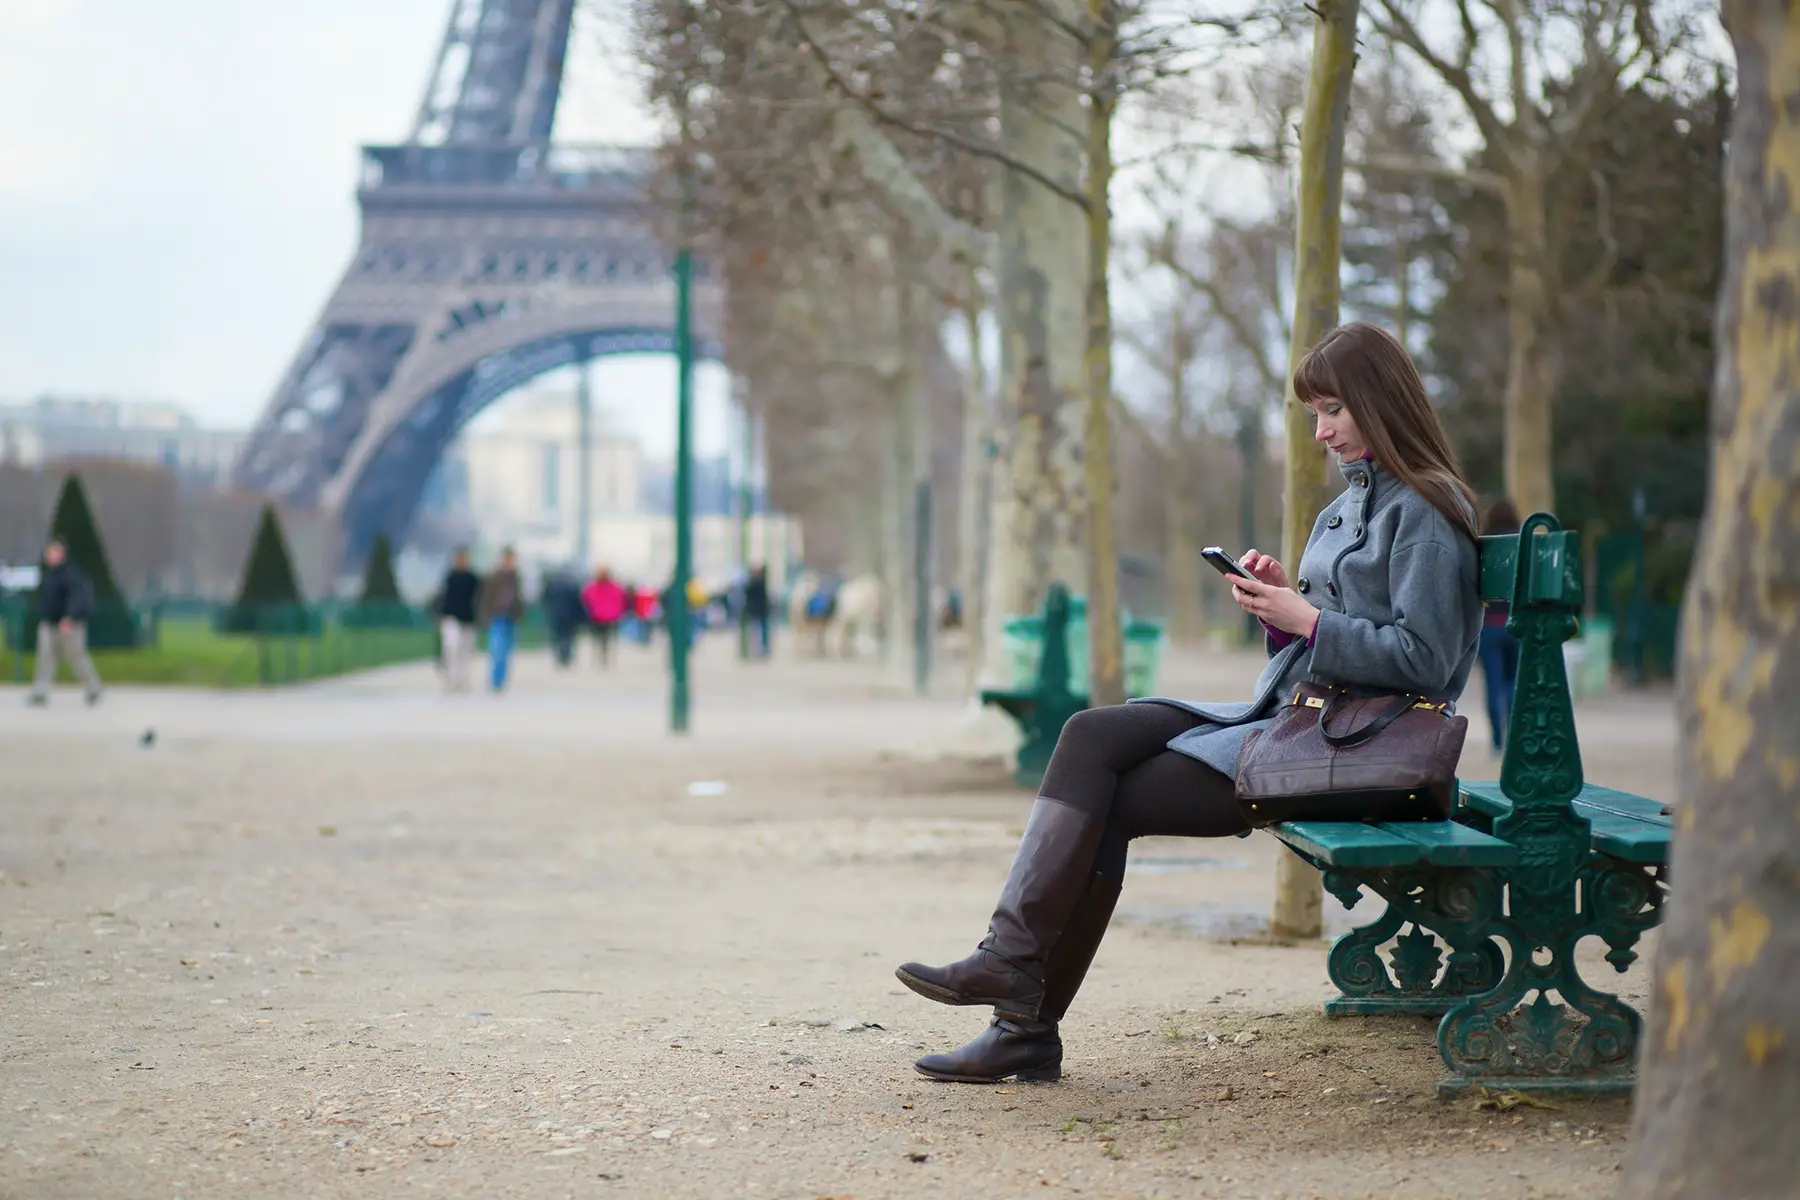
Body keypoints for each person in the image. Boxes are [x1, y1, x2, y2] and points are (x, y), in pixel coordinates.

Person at [894, 322, 1484, 1084]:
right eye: (1314, 414)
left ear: (1379, 401)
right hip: (1301, 718)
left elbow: (1427, 663)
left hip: (1364, 751)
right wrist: (1281, 615)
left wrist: (1308, 619)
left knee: (1105, 790)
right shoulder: (1346, 509)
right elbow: (1321, 644)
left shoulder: (1427, 512)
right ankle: (1012, 984)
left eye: (1333, 410)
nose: (1320, 431)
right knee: (1093, 737)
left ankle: (1020, 1015)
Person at [27, 538, 104, 707]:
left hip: (69, 625)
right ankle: (40, 692)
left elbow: (78, 597)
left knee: (76, 657)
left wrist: (70, 617)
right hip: (50, 624)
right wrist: (44, 619)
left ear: (61, 553)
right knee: (45, 658)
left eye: (53, 552)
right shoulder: (49, 576)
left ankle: (93, 689)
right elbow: (47, 600)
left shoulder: (71, 573)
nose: (49, 556)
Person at [1477, 499, 1523, 751]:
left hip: (1489, 626)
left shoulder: (1485, 544)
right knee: (1513, 682)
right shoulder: (1521, 542)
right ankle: (1515, 736)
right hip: (1516, 625)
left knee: (1493, 683)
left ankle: (1497, 740)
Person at [479, 546, 524, 693]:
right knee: (497, 649)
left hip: (511, 617)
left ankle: (502, 678)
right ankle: (495, 680)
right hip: (497, 616)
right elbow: (485, 599)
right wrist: (485, 616)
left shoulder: (516, 577)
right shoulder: (493, 577)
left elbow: (520, 599)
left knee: (507, 650)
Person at [436, 548, 482, 692]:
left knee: (466, 651)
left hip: (468, 619)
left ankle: (462, 678)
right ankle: (450, 677)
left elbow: (480, 599)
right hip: (451, 617)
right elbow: (443, 598)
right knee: (451, 647)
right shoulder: (450, 577)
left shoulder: (473, 579)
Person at [581, 566, 628, 667]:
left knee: (599, 637)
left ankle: (601, 655)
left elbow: (585, 599)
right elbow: (622, 599)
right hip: (610, 616)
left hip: (596, 616)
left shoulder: (591, 587)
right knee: (607, 637)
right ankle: (604, 655)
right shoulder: (616, 586)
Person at [541, 566, 584, 669]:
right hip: (569, 615)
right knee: (567, 636)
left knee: (557, 636)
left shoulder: (551, 585)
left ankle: (559, 655)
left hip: (555, 614)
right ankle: (566, 656)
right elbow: (577, 601)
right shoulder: (572, 585)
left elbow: (544, 599)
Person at [743, 564, 772, 658]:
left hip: (758, 612)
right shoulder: (757, 584)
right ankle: (759, 650)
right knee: (757, 631)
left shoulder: (758, 584)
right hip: (756, 612)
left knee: (760, 631)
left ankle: (761, 650)